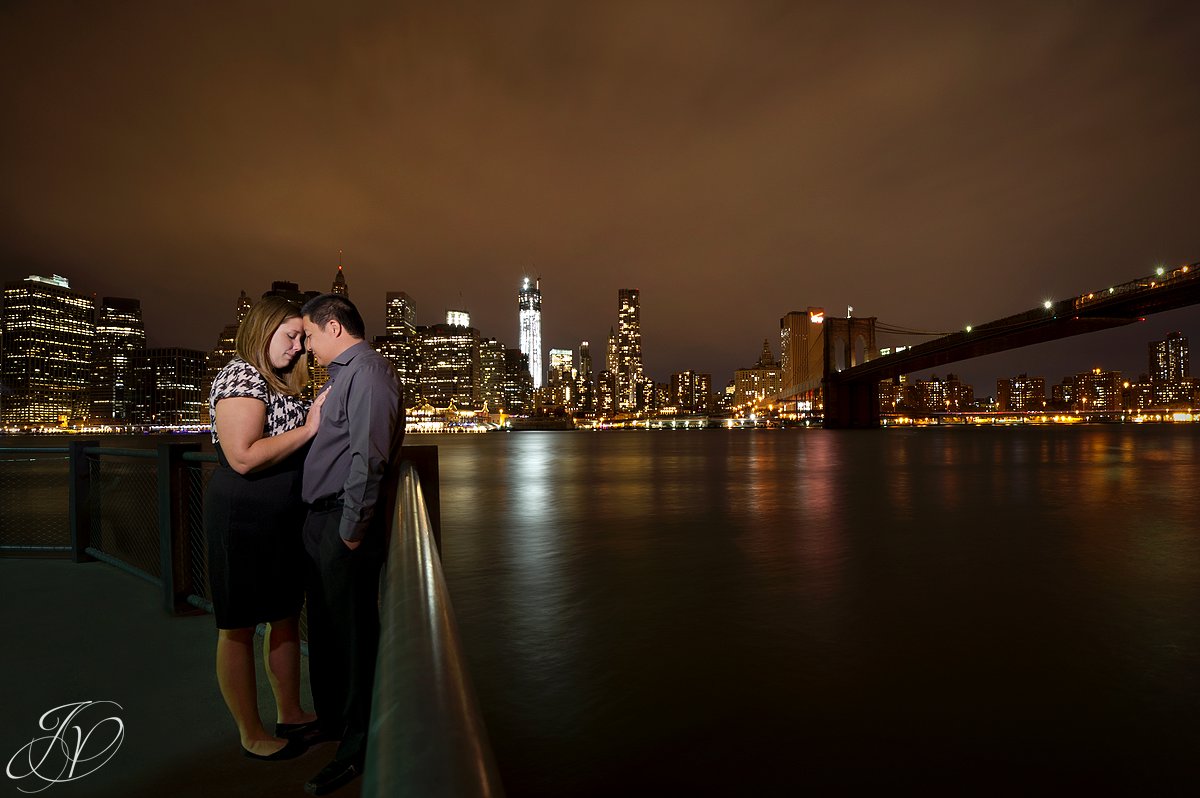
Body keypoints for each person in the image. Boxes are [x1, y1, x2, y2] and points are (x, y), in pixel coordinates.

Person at [205, 295, 326, 760]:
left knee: (283, 616)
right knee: (237, 625)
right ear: (262, 330)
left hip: (281, 516)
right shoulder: (241, 376)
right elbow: (243, 455)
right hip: (244, 515)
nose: (299, 346)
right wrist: (311, 426)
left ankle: (290, 711)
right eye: (290, 336)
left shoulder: (278, 381)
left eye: (302, 337)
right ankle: (250, 731)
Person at [299, 293, 404, 795]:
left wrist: (350, 530)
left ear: (334, 327)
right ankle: (335, 722)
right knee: (326, 630)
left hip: (343, 523)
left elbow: (371, 458)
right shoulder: (342, 376)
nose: (306, 346)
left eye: (310, 335)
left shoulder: (369, 373)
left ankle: (358, 745)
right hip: (321, 521)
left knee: (355, 637)